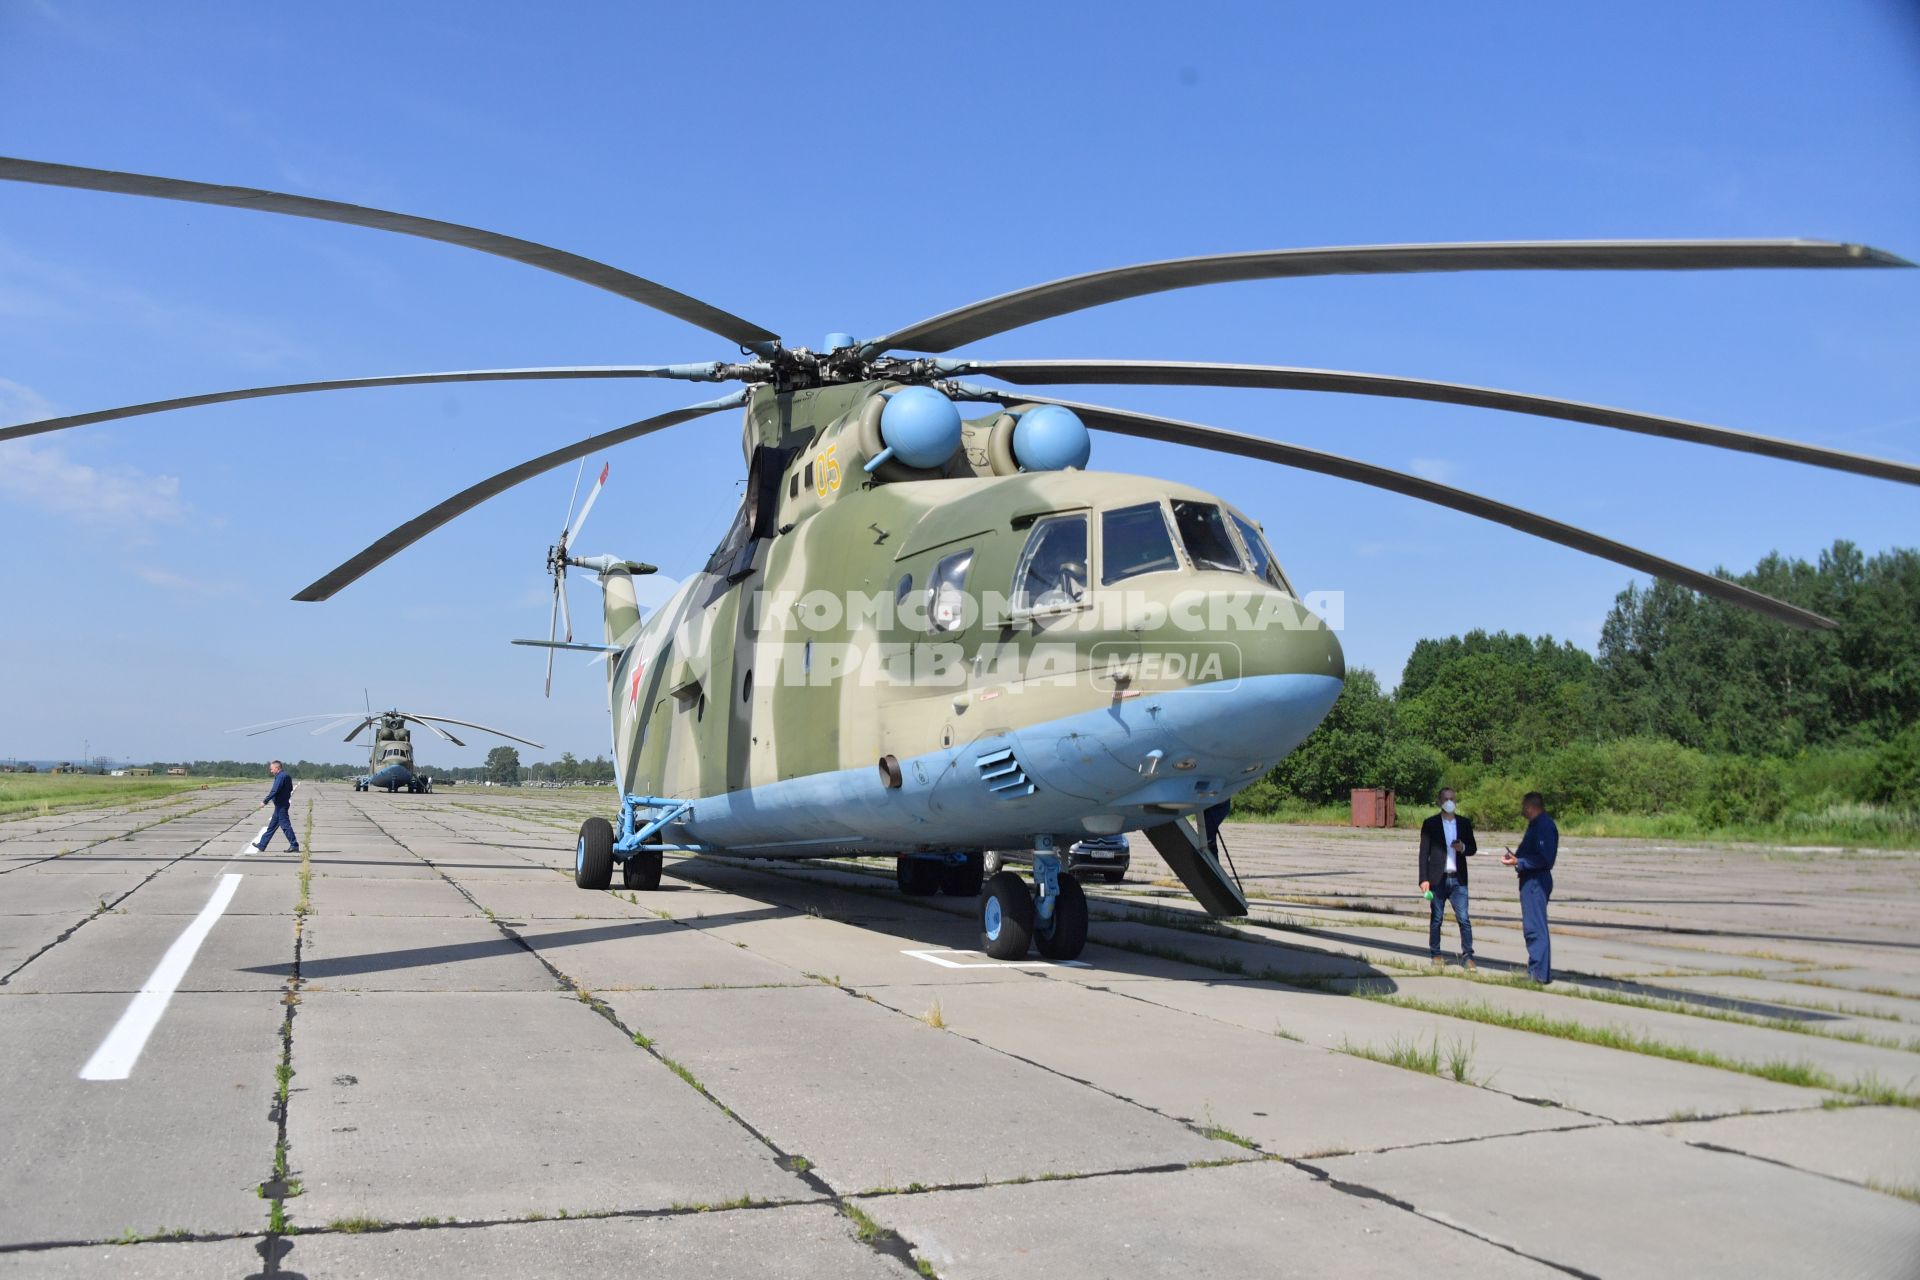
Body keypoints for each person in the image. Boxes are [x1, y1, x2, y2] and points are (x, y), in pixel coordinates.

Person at [1503, 792, 1557, 984]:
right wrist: (1517, 859)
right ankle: (1537, 971)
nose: (1522, 809)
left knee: (1535, 928)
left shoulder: (1543, 826)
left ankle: (1538, 974)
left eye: (1523, 805)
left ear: (1530, 807)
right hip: (1530, 879)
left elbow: (1544, 859)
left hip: (1536, 881)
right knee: (1533, 926)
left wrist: (1521, 861)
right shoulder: (1536, 825)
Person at [1418, 787, 1476, 967]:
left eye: (1452, 798)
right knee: (1437, 918)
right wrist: (1423, 879)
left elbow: (1473, 848)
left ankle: (1468, 955)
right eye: (1445, 799)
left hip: (1458, 879)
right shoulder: (1430, 823)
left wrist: (1463, 848)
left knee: (1464, 919)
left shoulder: (1464, 823)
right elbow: (1423, 853)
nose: (1449, 802)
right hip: (1438, 878)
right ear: (1439, 801)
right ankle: (1436, 954)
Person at [256, 760, 299, 853]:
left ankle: (294, 845)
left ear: (277, 768)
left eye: (272, 769)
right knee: (271, 827)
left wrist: (265, 801)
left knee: (285, 826)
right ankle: (262, 845)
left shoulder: (280, 777)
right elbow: (290, 788)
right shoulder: (286, 776)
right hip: (281, 805)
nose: (271, 771)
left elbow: (274, 790)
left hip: (281, 806)